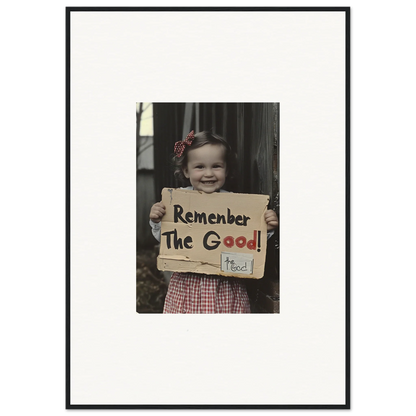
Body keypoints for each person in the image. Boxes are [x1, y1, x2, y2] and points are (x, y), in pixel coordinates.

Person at [149, 130, 278, 313]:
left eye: (216, 166)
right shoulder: (177, 202)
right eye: (199, 167)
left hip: (225, 284)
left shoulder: (236, 205)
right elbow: (166, 239)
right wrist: (157, 220)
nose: (208, 173)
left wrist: (267, 227)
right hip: (188, 285)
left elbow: (250, 241)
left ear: (226, 169)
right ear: (186, 170)